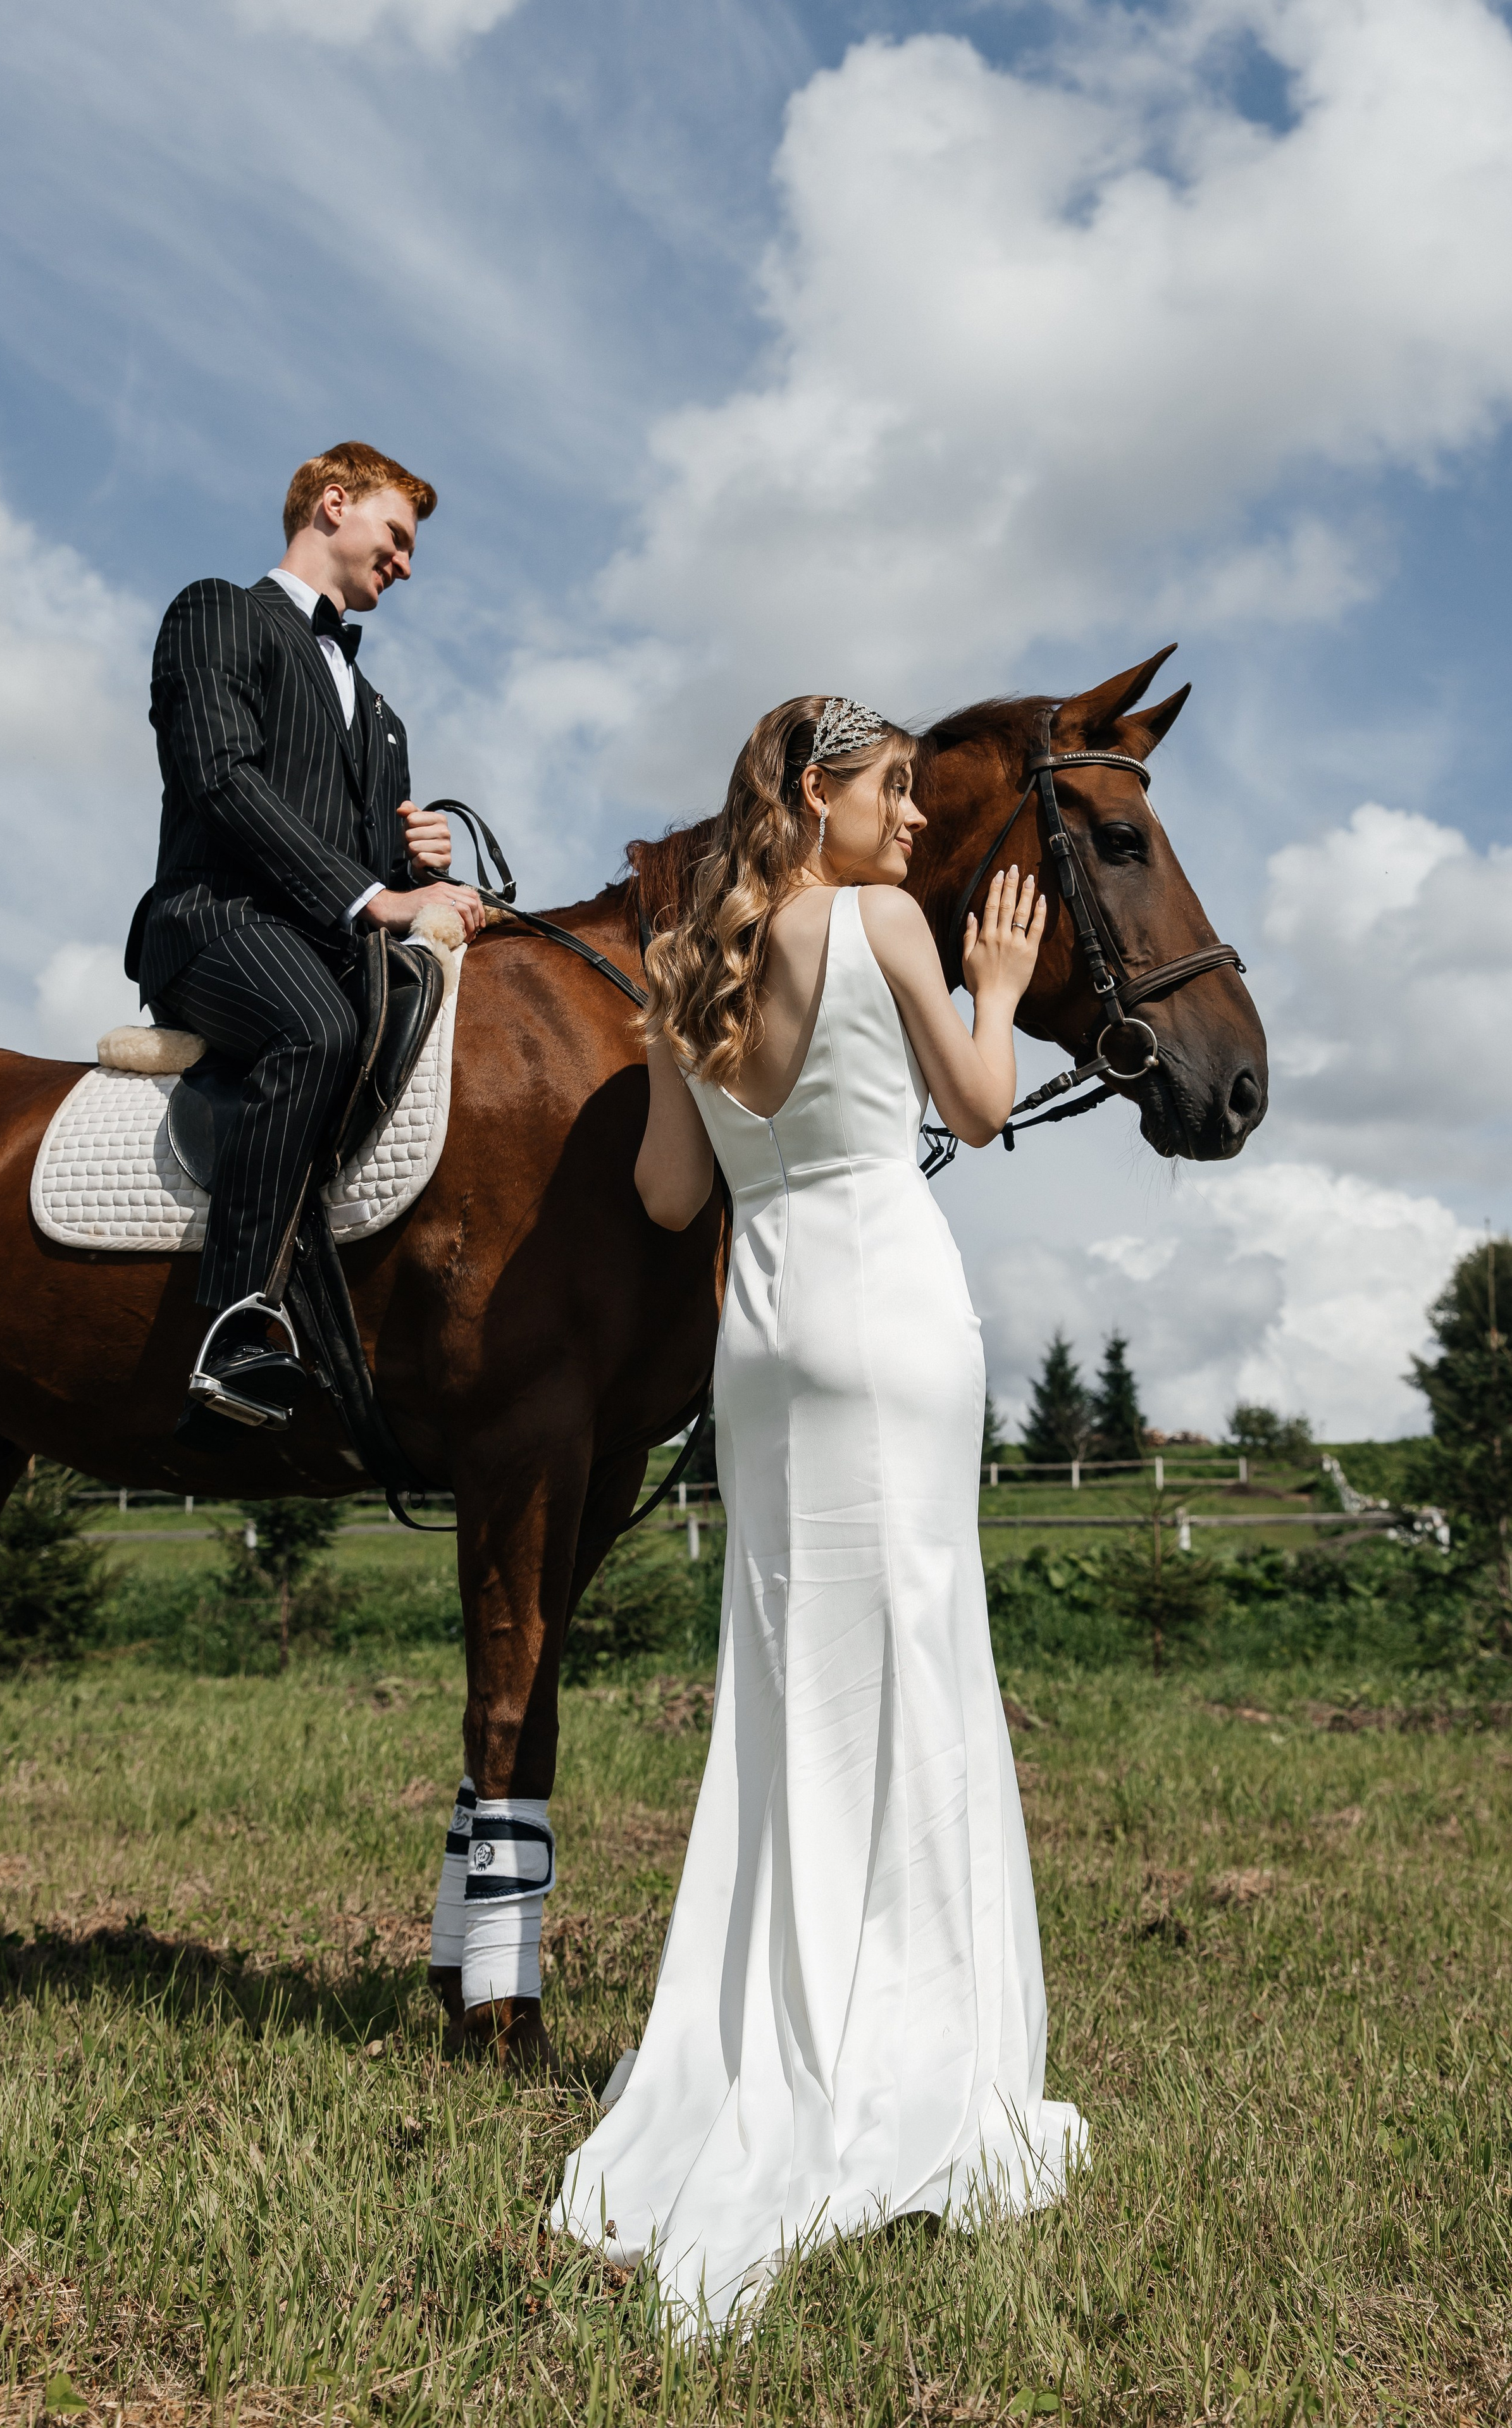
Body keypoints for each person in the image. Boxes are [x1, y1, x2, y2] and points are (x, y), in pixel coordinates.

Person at [552, 696, 1088, 2332]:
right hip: (892, 1317)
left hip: (765, 1348)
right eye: (894, 790)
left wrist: (673, 1055)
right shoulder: (874, 920)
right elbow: (984, 1106)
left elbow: (665, 1194)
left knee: (789, 1697)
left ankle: (773, 2025)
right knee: (915, 1666)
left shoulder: (687, 957)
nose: (917, 822)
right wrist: (993, 991)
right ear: (814, 793)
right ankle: (917, 2055)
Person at [128, 441, 480, 1447]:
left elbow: (375, 881)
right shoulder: (215, 613)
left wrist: (421, 867)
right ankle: (237, 1326)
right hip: (214, 923)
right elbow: (222, 782)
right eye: (398, 536)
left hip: (323, 934)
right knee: (319, 1028)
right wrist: (377, 895)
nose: (406, 565)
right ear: (334, 503)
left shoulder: (385, 717)